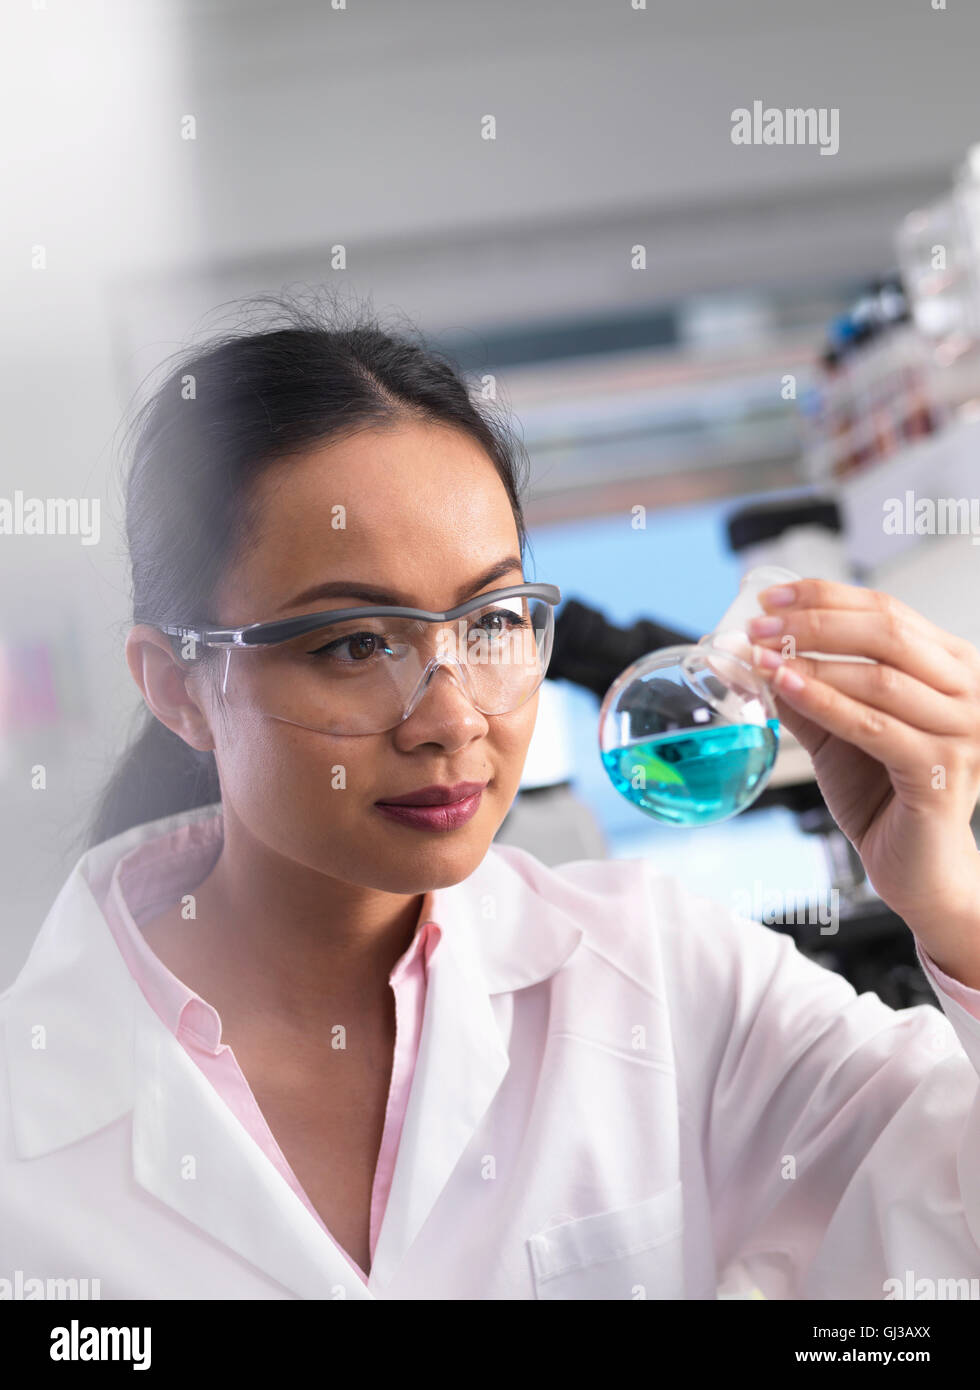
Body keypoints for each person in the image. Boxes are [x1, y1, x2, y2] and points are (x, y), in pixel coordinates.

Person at [3, 294, 980, 1302]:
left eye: (491, 620)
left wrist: (953, 906)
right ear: (177, 686)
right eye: (355, 644)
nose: (454, 718)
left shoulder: (657, 976)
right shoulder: (25, 1119)